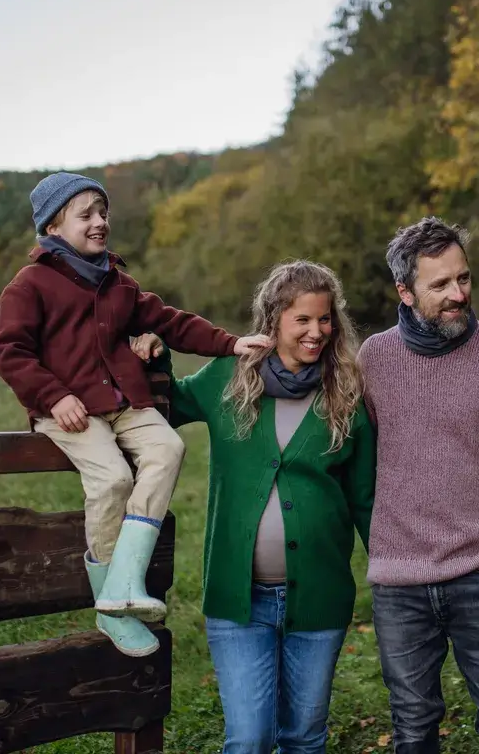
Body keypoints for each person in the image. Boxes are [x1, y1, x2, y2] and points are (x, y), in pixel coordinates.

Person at [0, 172, 269, 658]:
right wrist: (54, 397)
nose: (100, 223)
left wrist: (230, 343)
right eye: (87, 215)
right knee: (114, 480)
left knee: (168, 447)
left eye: (104, 213)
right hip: (68, 411)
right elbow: (11, 352)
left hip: (120, 402)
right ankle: (108, 603)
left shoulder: (117, 283)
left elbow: (170, 322)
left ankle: (126, 580)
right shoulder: (29, 285)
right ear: (54, 226)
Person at [132, 260, 375, 754]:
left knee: (304, 738)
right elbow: (170, 405)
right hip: (239, 602)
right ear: (274, 320)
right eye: (302, 320)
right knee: (248, 739)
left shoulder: (348, 395)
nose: (316, 332)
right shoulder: (228, 376)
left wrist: (392, 571)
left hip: (320, 600)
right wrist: (155, 361)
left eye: (325, 319)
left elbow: (366, 499)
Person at [357, 218, 479, 754]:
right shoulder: (373, 359)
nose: (458, 294)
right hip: (399, 583)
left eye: (462, 279)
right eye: (439, 285)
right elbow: (351, 454)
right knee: (413, 730)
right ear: (404, 291)